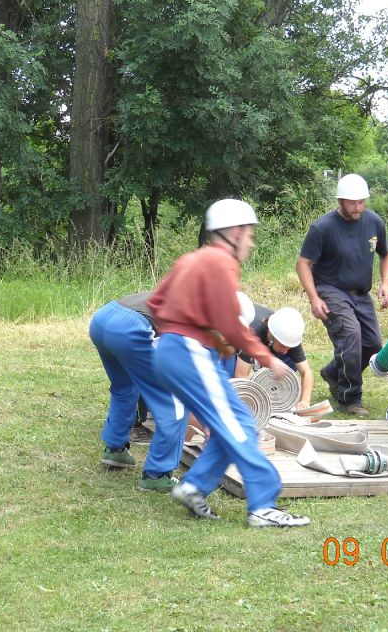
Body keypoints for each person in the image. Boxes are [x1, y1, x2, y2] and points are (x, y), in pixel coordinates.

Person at [148, 198, 310, 528]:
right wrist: (267, 358)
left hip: (168, 351)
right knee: (240, 424)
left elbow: (155, 303)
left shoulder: (191, 260)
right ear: (234, 232)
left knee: (226, 424)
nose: (250, 241)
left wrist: (195, 335)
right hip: (189, 351)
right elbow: (231, 323)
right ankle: (264, 505)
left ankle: (194, 487)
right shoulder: (222, 262)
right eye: (249, 233)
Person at [297, 173, 388, 417]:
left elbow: (387, 253)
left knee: (373, 345)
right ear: (340, 201)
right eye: (352, 202)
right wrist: (314, 298)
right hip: (330, 290)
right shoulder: (323, 228)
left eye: (362, 201)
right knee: (350, 336)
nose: (358, 206)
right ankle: (350, 398)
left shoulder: (373, 222)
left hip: (360, 294)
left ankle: (333, 372)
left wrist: (385, 284)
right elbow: (303, 263)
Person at [89, 292, 188, 492]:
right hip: (131, 328)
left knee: (123, 386)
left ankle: (115, 450)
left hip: (102, 319)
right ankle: (157, 474)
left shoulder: (184, 292)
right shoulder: (200, 313)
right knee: (174, 402)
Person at [236, 305, 315, 410]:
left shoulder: (288, 336)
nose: (286, 351)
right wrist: (256, 401)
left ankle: (278, 400)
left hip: (274, 340)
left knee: (286, 374)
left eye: (289, 348)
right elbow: (240, 375)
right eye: (283, 346)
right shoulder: (254, 334)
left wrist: (305, 401)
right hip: (244, 334)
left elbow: (306, 373)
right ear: (272, 336)